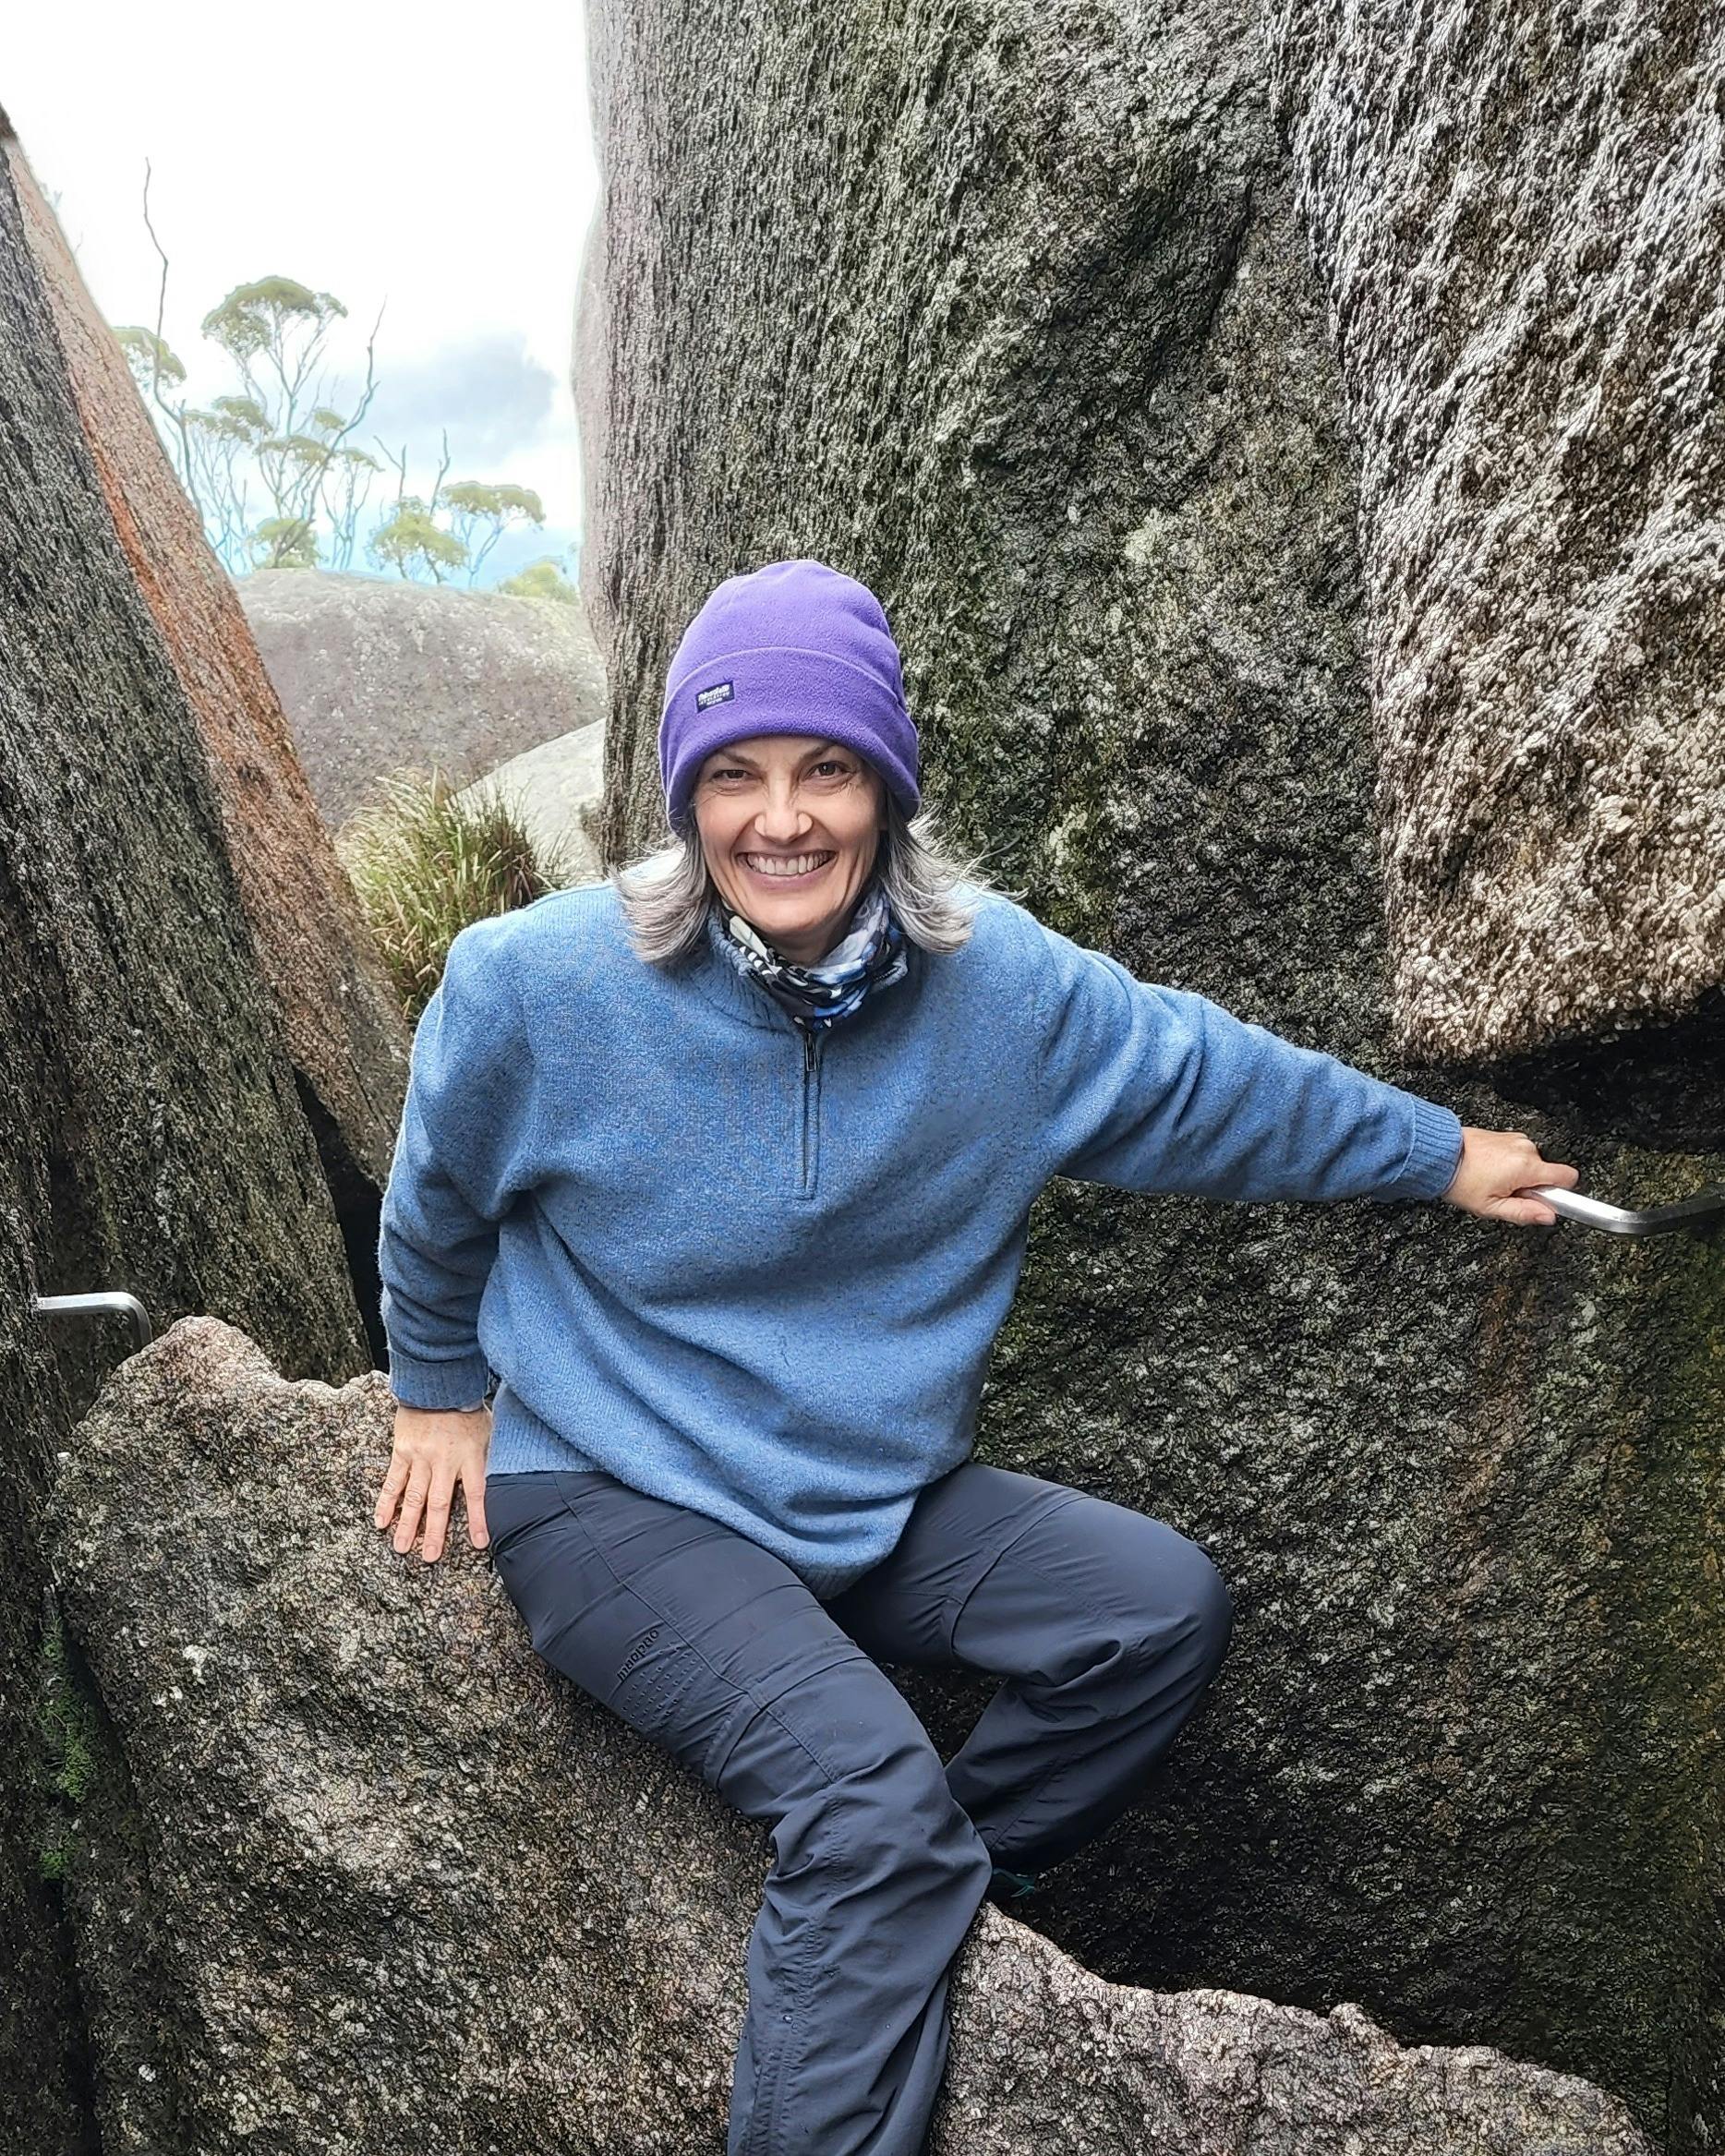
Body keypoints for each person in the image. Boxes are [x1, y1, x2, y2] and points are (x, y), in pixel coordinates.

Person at [373, 558, 1578, 2156]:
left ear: (887, 787)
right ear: (685, 801)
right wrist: (437, 1389)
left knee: (1151, 1616)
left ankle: (907, 1903)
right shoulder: (534, 986)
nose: (778, 818)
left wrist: (1440, 1155)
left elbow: (1212, 1087)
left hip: (857, 1496)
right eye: (732, 775)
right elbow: (434, 1199)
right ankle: (881, 1882)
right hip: (612, 1490)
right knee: (869, 1808)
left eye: (825, 770)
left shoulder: (1000, 989)